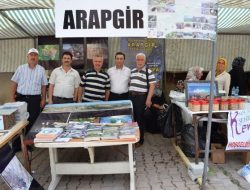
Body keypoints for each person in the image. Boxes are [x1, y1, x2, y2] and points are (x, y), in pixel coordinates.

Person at [11, 48, 48, 133]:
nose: (33, 57)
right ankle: (18, 145)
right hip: (21, 98)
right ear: (27, 56)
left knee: (33, 120)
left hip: (35, 99)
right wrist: (12, 98)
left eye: (35, 55)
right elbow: (14, 83)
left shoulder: (41, 69)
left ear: (38, 57)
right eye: (31, 55)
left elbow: (44, 85)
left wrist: (43, 99)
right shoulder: (20, 68)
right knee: (19, 121)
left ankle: (29, 142)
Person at [129, 53, 156, 146]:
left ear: (145, 61)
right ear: (135, 60)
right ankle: (133, 138)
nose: (139, 61)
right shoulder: (132, 71)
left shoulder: (149, 72)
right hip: (131, 97)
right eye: (138, 60)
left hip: (141, 98)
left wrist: (148, 100)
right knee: (132, 119)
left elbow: (152, 86)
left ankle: (140, 140)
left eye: (141, 60)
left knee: (140, 120)